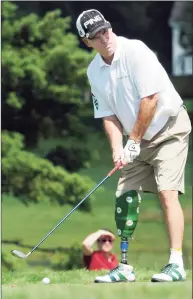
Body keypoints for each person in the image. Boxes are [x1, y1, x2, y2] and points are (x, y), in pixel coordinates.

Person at [76, 9, 192, 283]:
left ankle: (176, 263)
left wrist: (134, 142)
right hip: (136, 139)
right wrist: (118, 148)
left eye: (105, 30)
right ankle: (125, 267)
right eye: (96, 36)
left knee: (167, 193)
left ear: (109, 27)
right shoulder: (94, 71)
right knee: (124, 196)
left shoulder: (135, 52)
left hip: (169, 127)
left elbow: (149, 99)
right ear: (87, 42)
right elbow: (107, 114)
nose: (104, 38)